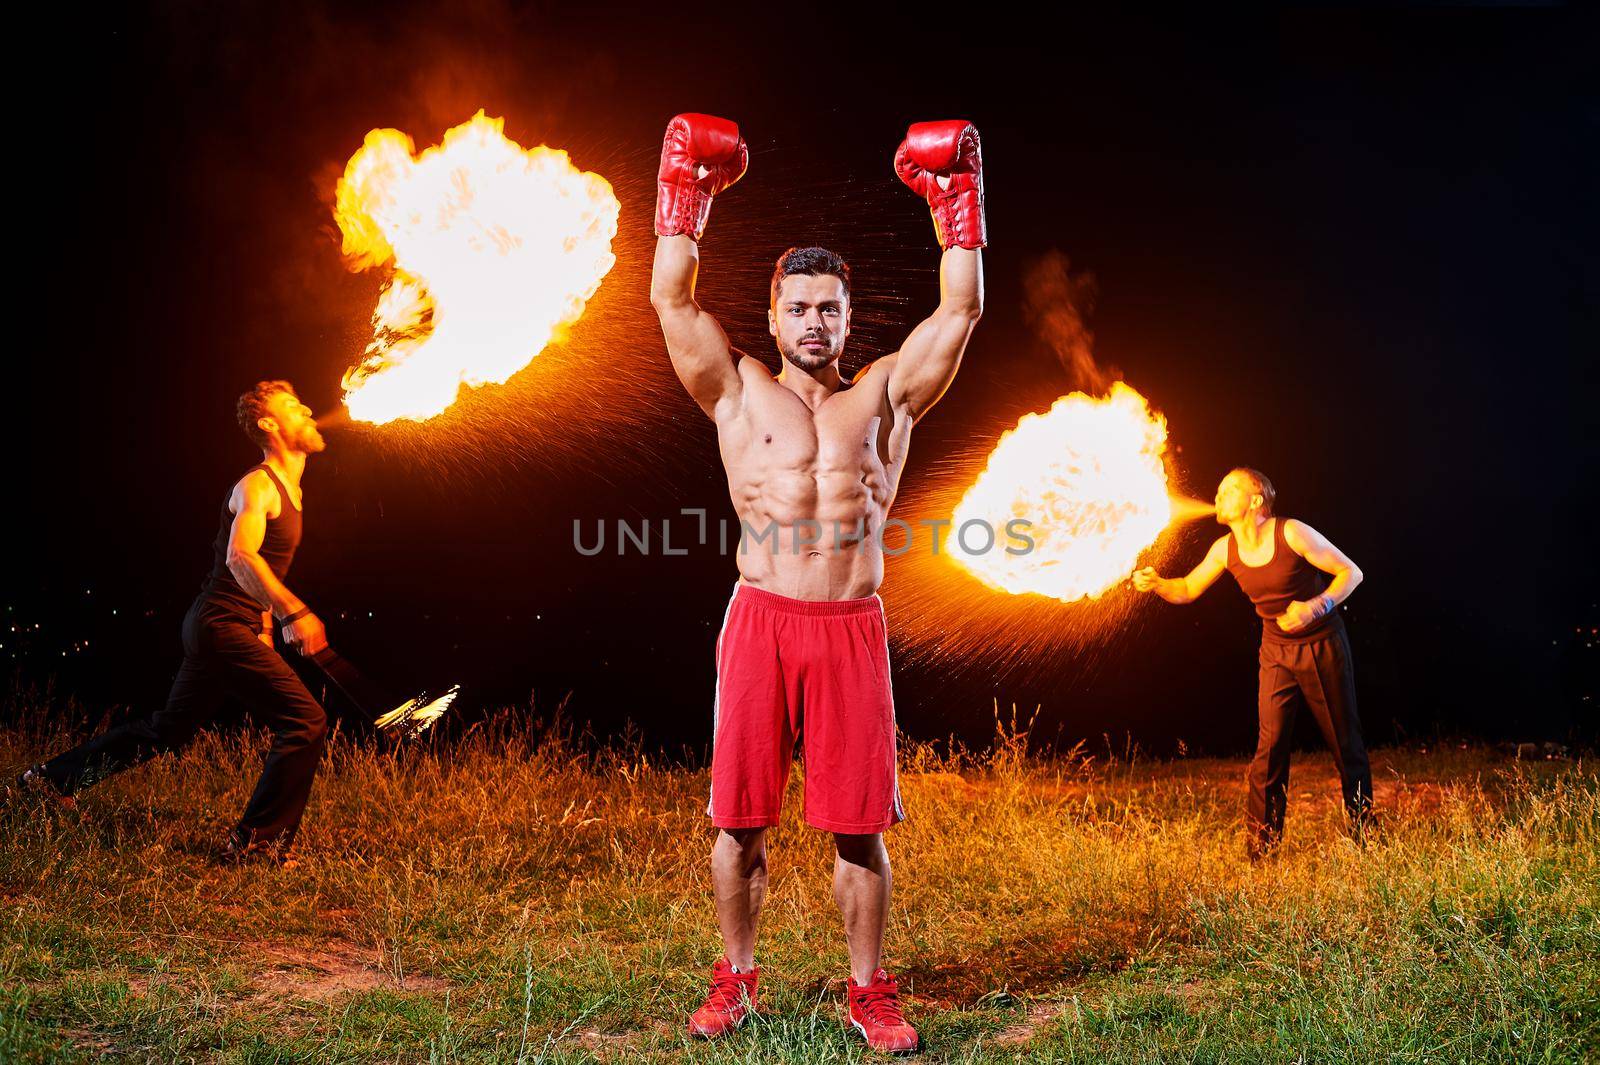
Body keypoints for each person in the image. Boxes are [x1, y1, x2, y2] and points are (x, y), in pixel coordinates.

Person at [650, 114, 986, 1052]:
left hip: (849, 625)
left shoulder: (885, 394)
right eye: (797, 306)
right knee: (739, 821)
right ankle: (737, 977)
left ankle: (868, 989)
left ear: (848, 313)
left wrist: (959, 205)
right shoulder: (736, 390)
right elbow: (672, 304)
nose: (813, 321)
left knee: (858, 829)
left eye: (828, 308)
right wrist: (687, 196)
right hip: (759, 618)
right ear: (772, 313)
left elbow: (959, 313)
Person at [17, 381, 332, 866]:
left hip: (225, 625)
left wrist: (265, 628)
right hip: (218, 624)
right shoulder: (259, 485)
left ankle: (51, 780)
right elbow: (241, 557)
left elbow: (263, 567)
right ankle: (254, 847)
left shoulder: (294, 490)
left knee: (169, 728)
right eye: (293, 405)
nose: (308, 408)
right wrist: (296, 611)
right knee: (305, 720)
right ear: (269, 424)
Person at [1133, 467, 1372, 859]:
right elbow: (1189, 589)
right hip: (1276, 650)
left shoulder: (1291, 532)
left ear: (1256, 500)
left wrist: (1316, 606)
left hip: (1321, 644)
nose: (1219, 493)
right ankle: (1263, 850)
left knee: (1345, 743)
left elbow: (1352, 572)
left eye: (1231, 489)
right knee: (1270, 748)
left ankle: (1365, 837)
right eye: (1220, 487)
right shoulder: (1224, 549)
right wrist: (1159, 584)